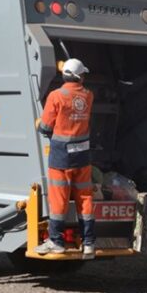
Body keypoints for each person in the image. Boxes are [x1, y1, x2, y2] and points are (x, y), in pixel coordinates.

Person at [35, 58, 95, 257]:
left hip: (62, 158)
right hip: (82, 157)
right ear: (79, 76)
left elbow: (46, 127)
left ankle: (56, 241)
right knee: (84, 198)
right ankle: (89, 243)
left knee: (58, 199)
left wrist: (39, 124)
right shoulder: (88, 95)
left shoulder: (56, 96)